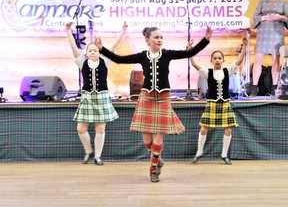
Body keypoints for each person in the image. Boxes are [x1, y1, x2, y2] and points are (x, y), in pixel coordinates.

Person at [94, 26, 212, 182]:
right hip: (146, 98)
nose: (160, 40)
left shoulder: (167, 54)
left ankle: (153, 170)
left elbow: (189, 53)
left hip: (163, 98)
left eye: (161, 37)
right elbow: (119, 59)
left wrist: (206, 39)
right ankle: (158, 160)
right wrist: (102, 49)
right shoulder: (143, 56)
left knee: (157, 140)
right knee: (148, 142)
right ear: (147, 40)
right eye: (156, 37)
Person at [65, 21, 128, 165]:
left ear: (99, 52)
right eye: (90, 50)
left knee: (100, 128)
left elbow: (113, 46)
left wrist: (123, 30)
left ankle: (97, 156)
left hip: (102, 97)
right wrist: (68, 30)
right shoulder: (82, 61)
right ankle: (88, 151)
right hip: (87, 97)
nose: (93, 52)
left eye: (95, 50)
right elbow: (73, 46)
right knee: (81, 128)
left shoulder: (105, 61)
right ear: (86, 53)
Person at [189, 34, 248, 165]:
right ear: (211, 61)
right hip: (212, 104)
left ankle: (224, 154)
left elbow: (239, 60)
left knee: (228, 128)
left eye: (219, 58)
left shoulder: (228, 71)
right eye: (215, 58)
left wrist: (245, 45)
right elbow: (194, 64)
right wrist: (190, 51)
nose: (217, 60)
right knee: (204, 128)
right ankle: (199, 152)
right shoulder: (207, 72)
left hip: (225, 103)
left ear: (223, 60)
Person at [250, 0, 288, 97]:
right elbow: (255, 17)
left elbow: (287, 17)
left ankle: (274, 88)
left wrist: (280, 17)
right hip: (263, 33)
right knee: (258, 59)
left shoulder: (284, 1)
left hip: (276, 34)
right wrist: (265, 18)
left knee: (276, 60)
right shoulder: (262, 1)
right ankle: (254, 88)